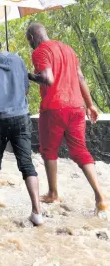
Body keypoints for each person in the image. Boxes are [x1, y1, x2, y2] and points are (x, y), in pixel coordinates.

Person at [26, 23, 107, 214]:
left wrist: (29, 75)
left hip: (54, 108)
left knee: (49, 150)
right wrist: (90, 104)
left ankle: (53, 192)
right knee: (80, 151)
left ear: (31, 37)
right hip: (77, 107)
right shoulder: (68, 49)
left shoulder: (40, 51)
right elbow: (80, 77)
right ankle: (100, 197)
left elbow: (48, 78)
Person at [0, 33, 43, 226]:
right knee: (26, 164)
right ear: (0, 45)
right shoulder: (17, 59)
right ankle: (37, 211)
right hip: (21, 117)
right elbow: (26, 88)